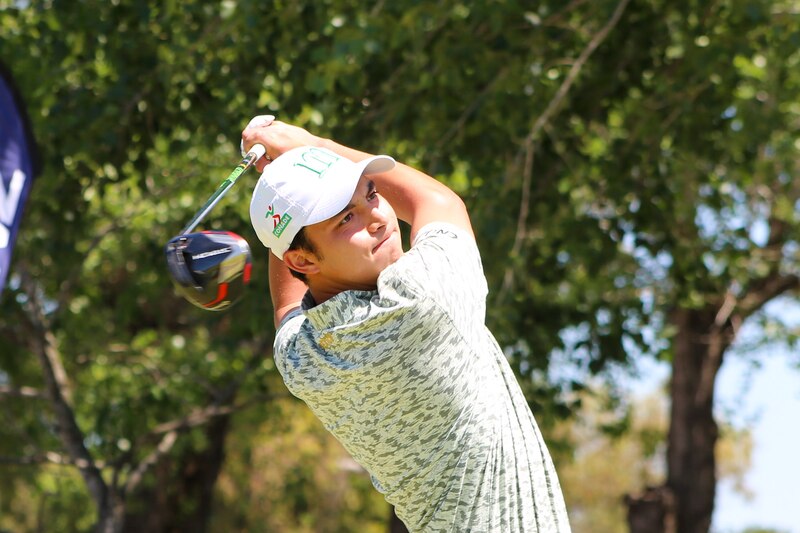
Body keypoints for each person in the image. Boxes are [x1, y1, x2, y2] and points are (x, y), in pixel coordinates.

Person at [241, 116, 571, 533]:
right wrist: (312, 145)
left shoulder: (303, 357)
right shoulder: (421, 297)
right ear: (303, 260)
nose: (377, 217)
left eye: (371, 194)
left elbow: (288, 303)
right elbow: (437, 201)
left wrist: (284, 178)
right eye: (345, 219)